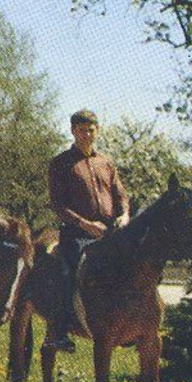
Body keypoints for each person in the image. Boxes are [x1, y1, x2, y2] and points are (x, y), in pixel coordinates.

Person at [46, 108, 129, 352]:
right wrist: (85, 224)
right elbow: (58, 205)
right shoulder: (61, 164)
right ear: (73, 131)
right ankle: (60, 332)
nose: (87, 134)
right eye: (81, 130)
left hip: (111, 233)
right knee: (67, 273)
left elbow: (121, 195)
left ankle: (128, 325)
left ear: (97, 131)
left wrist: (124, 215)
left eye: (91, 130)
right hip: (77, 234)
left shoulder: (106, 163)